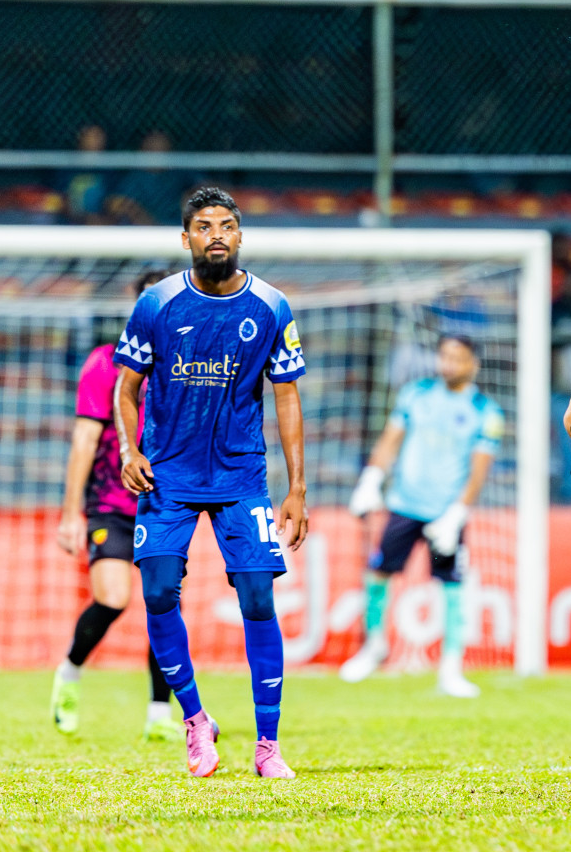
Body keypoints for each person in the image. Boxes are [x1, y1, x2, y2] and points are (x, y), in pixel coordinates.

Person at [114, 186, 309, 779]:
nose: (216, 233)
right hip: (166, 476)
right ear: (186, 238)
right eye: (204, 226)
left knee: (256, 596)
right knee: (155, 592)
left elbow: (287, 396)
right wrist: (128, 449)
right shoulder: (157, 303)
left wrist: (296, 487)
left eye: (227, 224)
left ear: (240, 235)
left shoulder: (272, 306)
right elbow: (125, 388)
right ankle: (196, 722)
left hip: (241, 476)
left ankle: (268, 746)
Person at [52, 269, 180, 740]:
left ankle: (159, 717)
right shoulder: (105, 363)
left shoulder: (185, 367)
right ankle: (68, 673)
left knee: (163, 604)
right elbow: (85, 439)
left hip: (166, 505)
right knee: (113, 598)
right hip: (110, 502)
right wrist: (70, 514)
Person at [341, 335, 503, 698]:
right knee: (379, 571)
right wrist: (371, 479)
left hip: (445, 512)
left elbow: (479, 470)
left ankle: (451, 668)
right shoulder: (415, 394)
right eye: (444, 356)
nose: (449, 364)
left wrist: (458, 513)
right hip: (404, 504)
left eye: (458, 358)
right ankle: (375, 645)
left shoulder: (486, 411)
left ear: (472, 364)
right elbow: (390, 440)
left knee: (451, 584)